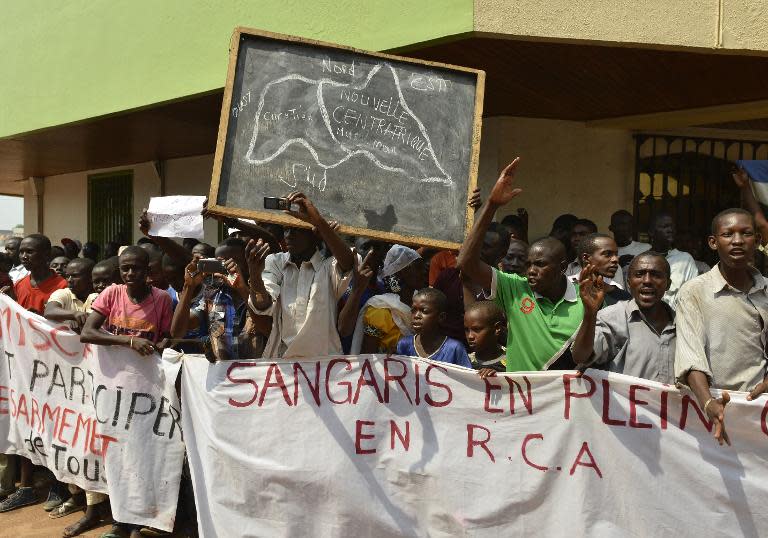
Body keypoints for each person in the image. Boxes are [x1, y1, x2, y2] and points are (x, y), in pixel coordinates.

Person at [458, 159, 584, 371]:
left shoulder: (585, 299)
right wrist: (491, 205)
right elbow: (466, 263)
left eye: (540, 265)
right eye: (529, 264)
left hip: (563, 400)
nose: (531, 271)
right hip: (519, 399)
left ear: (562, 267)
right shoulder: (516, 288)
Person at [675, 208, 768, 446]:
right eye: (728, 234)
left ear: (757, 240)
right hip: (714, 410)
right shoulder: (694, 292)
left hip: (760, 413)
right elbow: (690, 354)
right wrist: (707, 403)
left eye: (745, 233)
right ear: (713, 242)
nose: (737, 241)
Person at [0, 234, 67, 513]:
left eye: (31, 252)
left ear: (46, 254)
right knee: (28, 423)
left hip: (55, 367)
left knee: (56, 427)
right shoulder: (20, 284)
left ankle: (59, 484)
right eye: (22, 252)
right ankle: (26, 487)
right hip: (25, 366)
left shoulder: (61, 285)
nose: (25, 256)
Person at [248, 191, 354, 358]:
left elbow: (349, 264)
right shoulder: (276, 262)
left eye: (296, 230)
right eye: (286, 229)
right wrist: (254, 277)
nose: (289, 236)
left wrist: (319, 222)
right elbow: (262, 305)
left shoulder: (329, 266)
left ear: (314, 233)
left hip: (321, 367)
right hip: (283, 365)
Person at [571, 253, 676, 383]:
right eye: (639, 274)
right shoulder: (611, 318)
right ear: (628, 282)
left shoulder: (683, 323)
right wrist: (590, 313)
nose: (647, 280)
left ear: (668, 284)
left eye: (656, 275)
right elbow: (580, 356)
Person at [171, 240, 266, 361]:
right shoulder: (211, 295)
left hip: (257, 376)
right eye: (221, 262)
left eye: (233, 261)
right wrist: (189, 287)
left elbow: (267, 328)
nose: (226, 267)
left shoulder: (260, 292)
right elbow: (177, 332)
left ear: (248, 263)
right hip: (222, 376)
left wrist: (241, 288)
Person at [434, 221, 509, 345]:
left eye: (485, 246)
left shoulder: (506, 287)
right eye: (476, 243)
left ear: (502, 254)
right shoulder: (448, 276)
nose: (477, 249)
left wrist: (467, 285)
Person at [350, 245, 426, 354]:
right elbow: (368, 356)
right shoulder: (381, 310)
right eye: (418, 268)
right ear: (401, 272)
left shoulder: (422, 306)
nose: (424, 272)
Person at [395, 288, 471, 367]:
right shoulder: (404, 344)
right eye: (413, 310)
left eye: (424, 311)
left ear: (441, 317)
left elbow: (467, 377)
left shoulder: (454, 348)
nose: (416, 316)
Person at [647, 212, 698, 307]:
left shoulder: (685, 260)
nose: (670, 230)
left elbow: (692, 294)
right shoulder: (641, 260)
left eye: (672, 227)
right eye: (664, 227)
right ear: (651, 232)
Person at [570, 233, 630, 306]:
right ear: (586, 258)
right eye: (607, 254)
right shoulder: (566, 288)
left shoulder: (622, 296)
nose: (615, 259)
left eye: (616, 254)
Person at [44, 258, 97, 331]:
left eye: (75, 276)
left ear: (90, 277)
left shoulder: (100, 296)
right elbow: (49, 311)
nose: (69, 280)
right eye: (67, 276)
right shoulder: (63, 293)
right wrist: (74, 314)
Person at [464, 301, 507, 377]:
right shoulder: (464, 361)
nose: (470, 336)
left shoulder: (511, 360)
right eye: (467, 330)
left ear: (497, 328)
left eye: (477, 329)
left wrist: (497, 377)